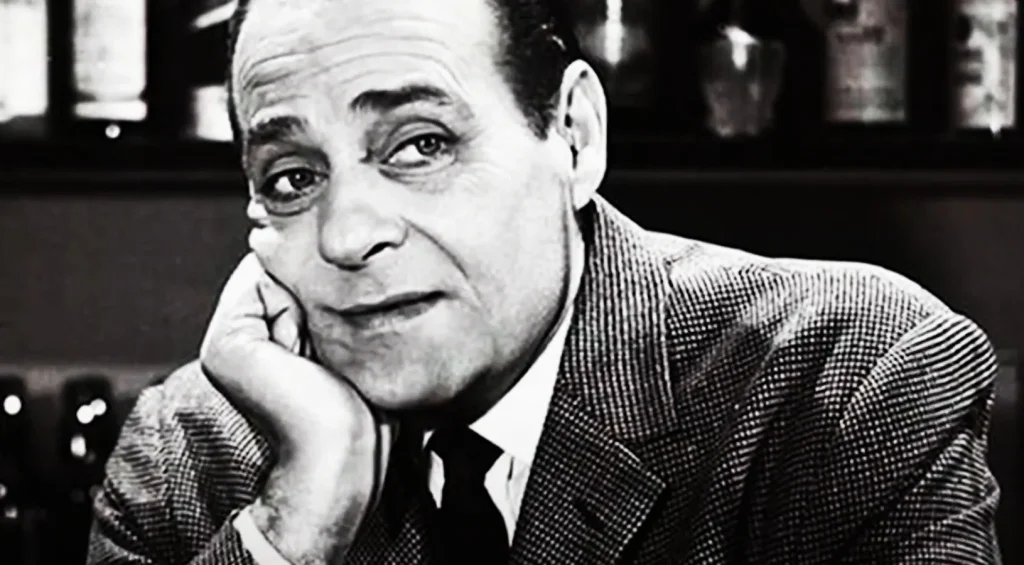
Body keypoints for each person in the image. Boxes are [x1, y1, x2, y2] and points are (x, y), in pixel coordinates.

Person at [88, 0, 1003, 563]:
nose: (348, 234)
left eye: (420, 145)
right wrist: (294, 529)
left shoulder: (847, 382)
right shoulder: (188, 458)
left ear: (575, 137)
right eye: (293, 177)